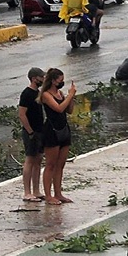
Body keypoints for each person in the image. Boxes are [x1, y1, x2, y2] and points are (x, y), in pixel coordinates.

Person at [40, 68, 76, 205]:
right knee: (50, 164)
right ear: (53, 81)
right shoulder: (46, 95)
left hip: (64, 129)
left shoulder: (60, 93)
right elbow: (59, 108)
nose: (62, 82)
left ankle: (58, 193)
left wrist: (71, 97)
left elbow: (69, 110)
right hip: (51, 131)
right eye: (60, 80)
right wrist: (69, 96)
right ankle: (48, 195)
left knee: (60, 164)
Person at [18, 67, 45, 202]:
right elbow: (22, 115)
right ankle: (27, 192)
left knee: (38, 160)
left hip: (40, 130)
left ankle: (36, 190)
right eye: (41, 77)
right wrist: (30, 132)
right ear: (34, 78)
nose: (43, 80)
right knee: (29, 160)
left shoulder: (38, 93)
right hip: (31, 132)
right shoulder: (27, 94)